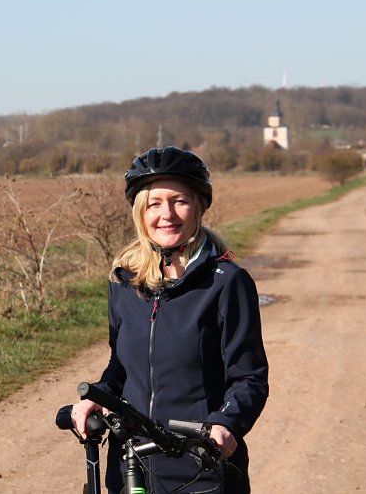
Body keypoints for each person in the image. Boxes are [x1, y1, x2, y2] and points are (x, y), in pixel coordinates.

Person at [70, 146, 268, 493]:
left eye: (180, 201)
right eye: (155, 203)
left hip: (203, 463)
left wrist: (225, 425)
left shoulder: (225, 282)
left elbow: (248, 377)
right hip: (131, 463)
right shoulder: (124, 282)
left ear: (199, 207)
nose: (167, 214)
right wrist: (98, 396)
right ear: (140, 212)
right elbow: (122, 366)